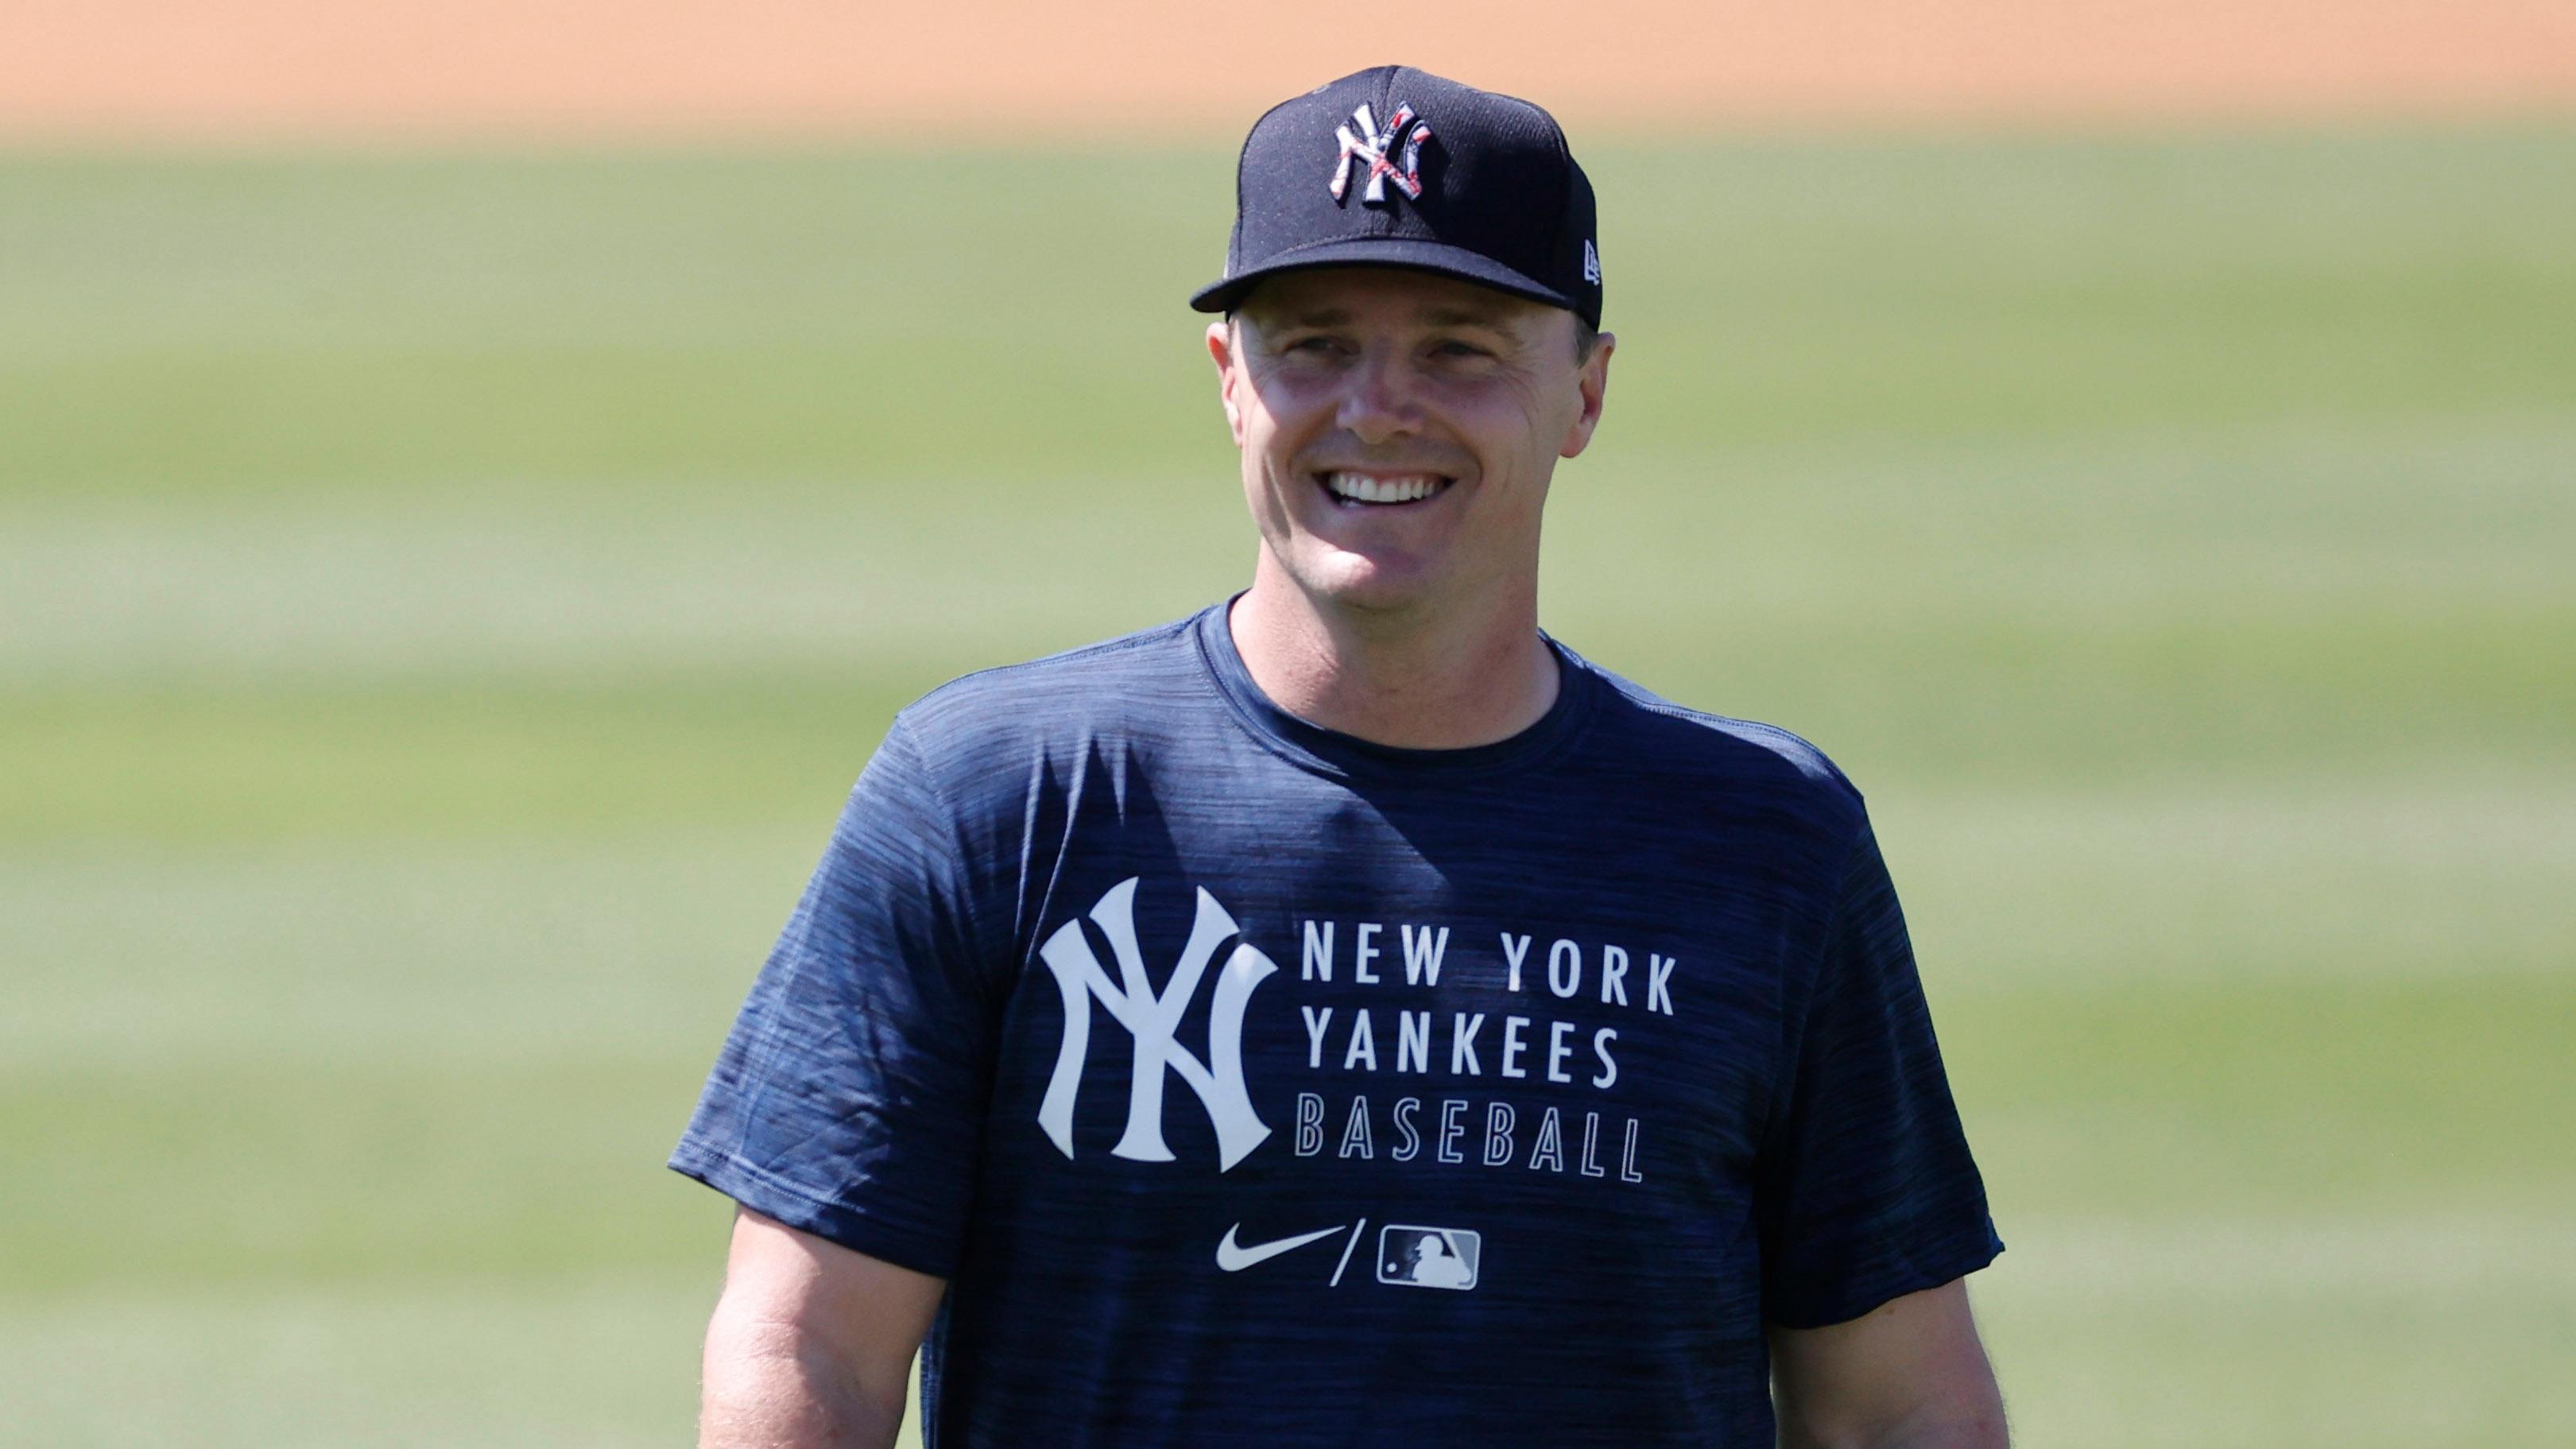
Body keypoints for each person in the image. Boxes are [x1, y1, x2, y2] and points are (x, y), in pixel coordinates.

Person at [672, 64, 2007, 1448]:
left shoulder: (1764, 842)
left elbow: (1895, 1404)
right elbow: (810, 1334)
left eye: (1459, 347)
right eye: (1312, 343)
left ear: (1587, 393)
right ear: (1229, 383)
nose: (1377, 408)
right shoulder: (997, 799)